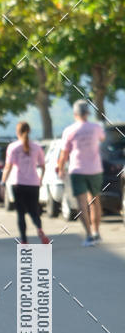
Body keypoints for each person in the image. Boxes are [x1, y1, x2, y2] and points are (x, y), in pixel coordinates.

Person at [57, 99, 105, 246]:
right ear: (87, 113)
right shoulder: (96, 127)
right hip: (95, 169)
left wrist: (60, 168)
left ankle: (89, 235)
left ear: (75, 114)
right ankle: (96, 231)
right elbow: (102, 139)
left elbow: (64, 154)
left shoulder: (69, 130)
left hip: (77, 169)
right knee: (95, 201)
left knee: (81, 203)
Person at [1, 122, 49, 244]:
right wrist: (41, 179)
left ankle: (24, 240)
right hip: (33, 183)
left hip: (18, 183)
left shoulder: (13, 147)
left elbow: (8, 167)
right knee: (34, 211)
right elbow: (43, 166)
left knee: (21, 213)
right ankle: (39, 229)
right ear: (30, 131)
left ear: (17, 132)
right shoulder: (37, 147)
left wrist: (2, 182)